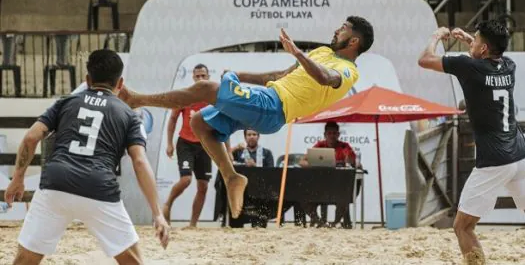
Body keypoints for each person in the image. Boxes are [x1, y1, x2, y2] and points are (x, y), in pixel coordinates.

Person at [118, 16, 374, 219]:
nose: (336, 31)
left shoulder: (348, 70)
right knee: (199, 122)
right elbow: (278, 75)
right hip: (267, 98)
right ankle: (232, 177)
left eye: (343, 29)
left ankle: (137, 99)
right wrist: (242, 74)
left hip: (275, 108)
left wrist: (297, 52)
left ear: (353, 42)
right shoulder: (321, 52)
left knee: (205, 89)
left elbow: (325, 78)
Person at [4, 49, 169, 265]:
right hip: (98, 187)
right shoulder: (130, 115)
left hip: (56, 184)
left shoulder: (65, 102)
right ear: (120, 83)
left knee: (25, 260)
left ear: (87, 79)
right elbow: (139, 161)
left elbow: (30, 138)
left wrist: (17, 178)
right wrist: (158, 213)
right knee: (133, 261)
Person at [418, 21, 525, 265]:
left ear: (484, 48)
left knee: (463, 227)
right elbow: (484, 59)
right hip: (520, 153)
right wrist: (470, 40)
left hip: (494, 160)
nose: (472, 43)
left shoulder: (467, 66)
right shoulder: (509, 66)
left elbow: (424, 60)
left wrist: (436, 36)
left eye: (476, 40)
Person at [164, 64, 212, 228]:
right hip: (185, 143)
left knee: (203, 186)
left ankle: (193, 224)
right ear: (193, 78)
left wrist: (227, 150)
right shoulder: (185, 96)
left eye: (203, 76)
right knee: (185, 180)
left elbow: (221, 124)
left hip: (205, 145)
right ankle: (167, 205)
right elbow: (172, 120)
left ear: (208, 77)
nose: (200, 79)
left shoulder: (214, 98)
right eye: (197, 76)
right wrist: (169, 143)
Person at [299, 121, 360, 228]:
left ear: (338, 134)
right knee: (303, 199)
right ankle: (319, 222)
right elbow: (301, 162)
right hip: (320, 186)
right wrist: (314, 165)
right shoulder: (320, 145)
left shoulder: (344, 146)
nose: (332, 136)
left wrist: (351, 160)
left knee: (344, 199)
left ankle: (334, 223)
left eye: (334, 133)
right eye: (329, 133)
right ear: (325, 135)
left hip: (338, 187)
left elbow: (355, 162)